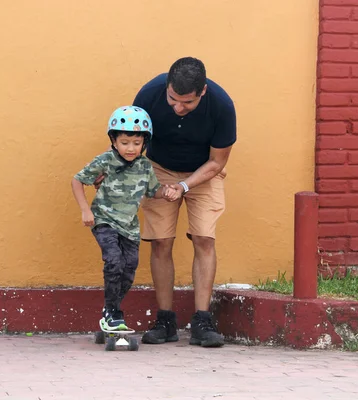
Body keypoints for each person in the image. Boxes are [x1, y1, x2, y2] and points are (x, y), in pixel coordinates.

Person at [134, 57, 237, 347]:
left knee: (204, 238)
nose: (178, 107)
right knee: (161, 240)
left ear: (202, 91)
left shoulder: (221, 105)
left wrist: (183, 186)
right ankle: (165, 320)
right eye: (173, 99)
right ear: (166, 87)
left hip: (204, 171)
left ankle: (202, 320)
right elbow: (131, 139)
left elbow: (217, 162)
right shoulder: (149, 94)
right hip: (159, 167)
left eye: (187, 103)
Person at [71, 105, 179, 331]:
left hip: (129, 226)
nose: (130, 148)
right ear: (114, 141)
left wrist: (166, 192)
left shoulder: (144, 166)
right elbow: (77, 180)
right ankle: (113, 313)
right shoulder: (105, 161)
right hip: (104, 220)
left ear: (144, 143)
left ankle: (109, 310)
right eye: (124, 143)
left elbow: (153, 190)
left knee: (129, 269)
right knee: (113, 261)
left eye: (136, 143)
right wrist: (85, 210)